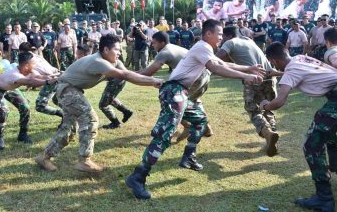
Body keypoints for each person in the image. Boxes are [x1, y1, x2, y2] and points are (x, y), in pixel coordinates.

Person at [125, 19, 263, 200]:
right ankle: (138, 176)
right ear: (208, 34)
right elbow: (215, 67)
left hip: (180, 92)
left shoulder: (206, 49)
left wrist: (249, 68)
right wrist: (246, 75)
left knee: (200, 121)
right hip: (174, 91)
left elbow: (223, 64)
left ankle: (189, 157)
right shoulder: (202, 47)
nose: (221, 37)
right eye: (219, 34)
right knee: (165, 134)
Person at [35, 34, 162, 173]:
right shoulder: (97, 61)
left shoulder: (114, 61)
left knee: (69, 129)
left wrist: (154, 81)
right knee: (90, 119)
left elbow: (128, 74)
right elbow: (125, 76)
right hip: (66, 88)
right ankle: (84, 161)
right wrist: (154, 81)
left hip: (72, 89)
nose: (120, 52)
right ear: (106, 50)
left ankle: (44, 157)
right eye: (117, 50)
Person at [262, 42, 336, 212]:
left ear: (274, 60)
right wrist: (279, 73)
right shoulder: (300, 58)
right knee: (332, 136)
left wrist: (266, 105)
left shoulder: (291, 71)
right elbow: (301, 72)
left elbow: (279, 102)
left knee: (312, 146)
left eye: (273, 63)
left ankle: (324, 199)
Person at [216, 26, 283, 156]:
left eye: (222, 37)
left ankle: (268, 133)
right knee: (267, 108)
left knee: (254, 110)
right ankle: (272, 135)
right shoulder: (249, 41)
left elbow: (216, 59)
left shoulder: (230, 42)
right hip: (270, 78)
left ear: (228, 36)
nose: (221, 39)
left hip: (254, 79)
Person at [0, 51, 57, 149]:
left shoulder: (28, 71)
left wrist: (56, 76)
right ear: (27, 65)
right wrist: (48, 82)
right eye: (34, 64)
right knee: (3, 110)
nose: (36, 66)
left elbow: (40, 76)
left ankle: (22, 135)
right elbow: (31, 81)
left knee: (25, 107)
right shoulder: (14, 74)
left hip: (9, 87)